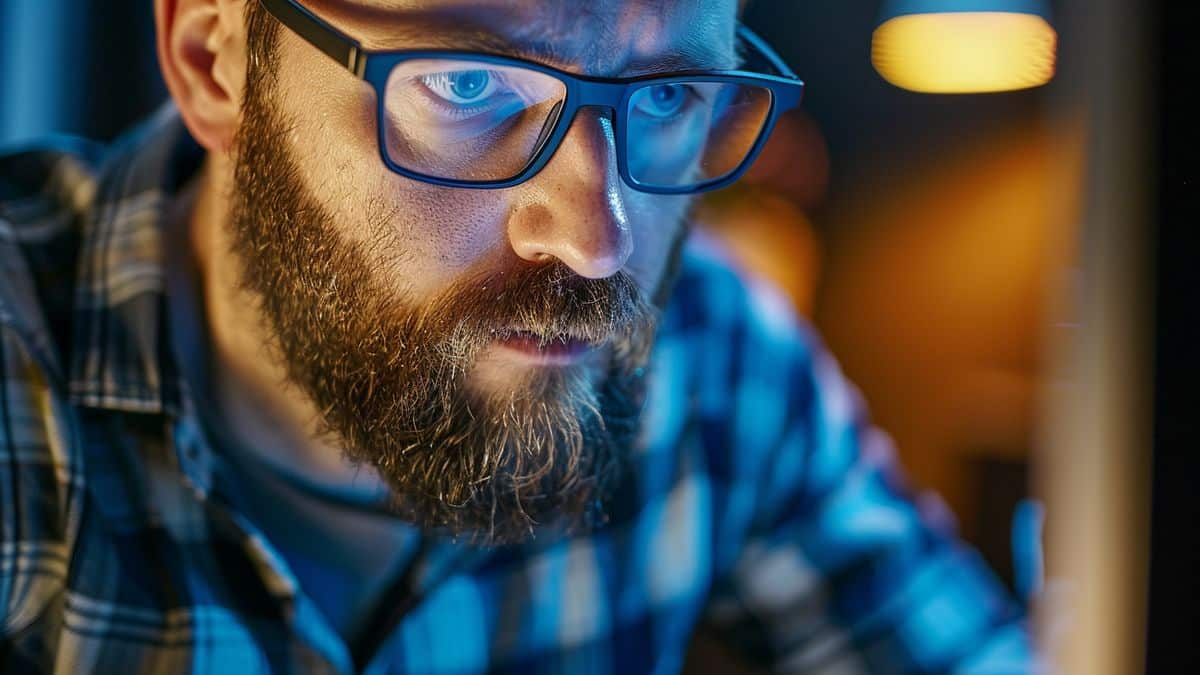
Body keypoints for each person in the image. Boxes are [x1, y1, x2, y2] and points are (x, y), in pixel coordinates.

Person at [0, 0, 1036, 672]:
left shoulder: (714, 369)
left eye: (669, 93)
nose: (594, 240)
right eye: (469, 85)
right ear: (214, 58)